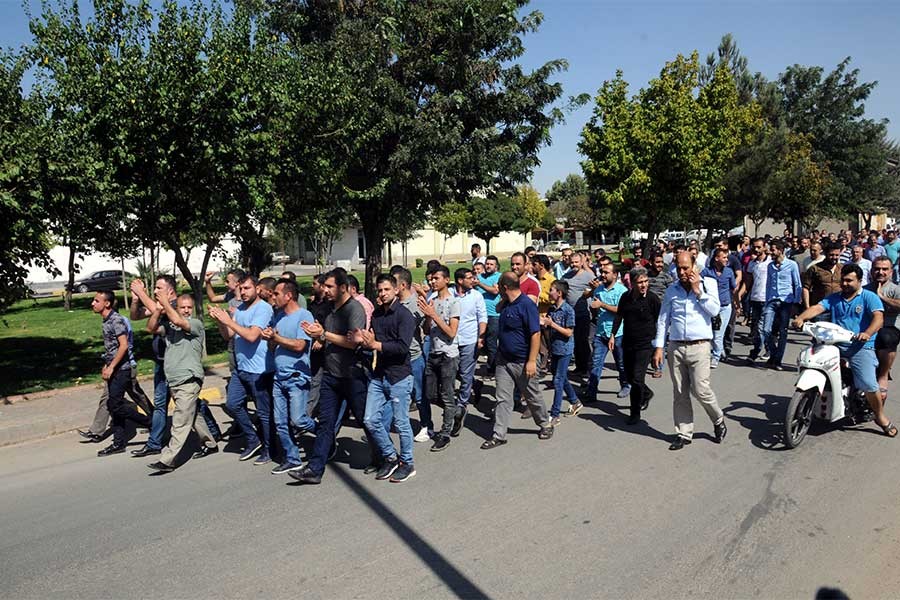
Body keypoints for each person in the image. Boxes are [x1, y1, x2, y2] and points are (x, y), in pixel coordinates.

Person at [792, 264, 896, 438]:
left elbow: (879, 318)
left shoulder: (869, 297)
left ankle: (879, 416)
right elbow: (818, 308)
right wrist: (801, 318)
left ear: (860, 281)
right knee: (812, 362)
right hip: (834, 345)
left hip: (860, 347)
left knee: (869, 385)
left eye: (849, 280)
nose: (845, 283)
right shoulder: (834, 298)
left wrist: (867, 333)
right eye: (843, 280)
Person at [290, 268, 372, 485]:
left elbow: (353, 342)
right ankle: (314, 469)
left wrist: (324, 335)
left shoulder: (355, 309)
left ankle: (384, 456)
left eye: (329, 286)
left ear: (343, 288)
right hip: (331, 375)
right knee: (326, 422)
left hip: (353, 375)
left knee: (366, 420)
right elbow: (328, 337)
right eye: (324, 286)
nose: (325, 290)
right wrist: (317, 335)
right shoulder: (328, 309)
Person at [653, 252, 727, 451]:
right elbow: (663, 320)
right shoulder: (672, 290)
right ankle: (684, 433)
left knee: (701, 390)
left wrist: (698, 291)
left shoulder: (708, 284)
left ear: (695, 266)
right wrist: (659, 346)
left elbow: (714, 310)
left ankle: (718, 419)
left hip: (700, 346)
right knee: (680, 392)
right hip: (676, 346)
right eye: (679, 268)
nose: (682, 272)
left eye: (686, 267)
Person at [146, 293, 218, 472]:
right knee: (191, 415)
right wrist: (158, 310)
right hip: (174, 381)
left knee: (180, 421)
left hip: (189, 379)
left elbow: (180, 322)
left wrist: (164, 301)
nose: (186, 310)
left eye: (189, 307)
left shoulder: (195, 324)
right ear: (177, 308)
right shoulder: (169, 326)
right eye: (182, 307)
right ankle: (210, 443)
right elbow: (151, 328)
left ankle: (168, 460)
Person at [481, 272, 553, 448]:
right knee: (502, 398)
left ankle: (545, 424)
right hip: (503, 360)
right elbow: (497, 309)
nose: (496, 288)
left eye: (499, 286)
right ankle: (499, 435)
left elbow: (535, 334)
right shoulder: (506, 304)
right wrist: (504, 299)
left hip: (522, 361)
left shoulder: (527, 305)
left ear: (505, 287)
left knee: (531, 395)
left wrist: (531, 361)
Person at [209, 274, 275, 464]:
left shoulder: (263, 309)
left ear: (257, 289)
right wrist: (220, 321)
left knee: (264, 413)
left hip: (260, 370)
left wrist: (229, 320)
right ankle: (254, 440)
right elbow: (228, 335)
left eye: (247, 288)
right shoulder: (240, 309)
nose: (243, 292)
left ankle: (270, 450)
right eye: (241, 288)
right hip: (241, 368)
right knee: (232, 404)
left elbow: (252, 336)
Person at [358, 274, 417, 483]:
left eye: (386, 290)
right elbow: (373, 341)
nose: (382, 294)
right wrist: (366, 341)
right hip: (379, 374)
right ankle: (391, 457)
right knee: (370, 420)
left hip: (399, 376)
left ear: (395, 290)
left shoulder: (404, 315)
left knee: (401, 423)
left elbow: (402, 348)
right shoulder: (376, 315)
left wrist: (376, 345)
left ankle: (407, 463)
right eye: (379, 290)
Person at [261, 280, 315, 475]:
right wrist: (270, 339)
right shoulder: (279, 316)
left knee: (299, 420)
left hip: (296, 376)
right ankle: (293, 459)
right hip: (279, 377)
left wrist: (277, 339)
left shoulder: (304, 315)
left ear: (288, 295)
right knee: (281, 422)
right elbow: (273, 345)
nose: (272, 297)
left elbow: (301, 345)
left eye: (276, 293)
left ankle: (325, 434)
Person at [92, 290, 153, 456]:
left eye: (96, 301)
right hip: (114, 368)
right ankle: (118, 443)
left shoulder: (116, 320)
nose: (92, 303)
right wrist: (107, 365)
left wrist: (112, 367)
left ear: (107, 304)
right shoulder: (106, 320)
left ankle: (150, 422)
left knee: (114, 405)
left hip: (123, 369)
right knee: (115, 405)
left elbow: (123, 346)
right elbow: (111, 348)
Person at [611, 266, 661, 424]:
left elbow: (661, 321)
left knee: (638, 378)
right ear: (632, 283)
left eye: (646, 281)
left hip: (645, 344)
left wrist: (659, 346)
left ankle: (635, 412)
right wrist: (612, 334)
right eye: (640, 282)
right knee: (631, 377)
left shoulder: (652, 299)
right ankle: (646, 393)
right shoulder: (625, 297)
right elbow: (619, 315)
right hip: (628, 342)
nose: (644, 285)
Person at [419, 265, 460, 452]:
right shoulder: (432, 300)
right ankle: (458, 411)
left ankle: (445, 434)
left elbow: (452, 332)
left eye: (436, 278)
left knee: (447, 394)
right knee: (430, 394)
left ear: (446, 280)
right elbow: (427, 330)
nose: (432, 281)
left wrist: (433, 315)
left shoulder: (454, 302)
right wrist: (428, 317)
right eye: (431, 279)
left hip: (448, 355)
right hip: (433, 353)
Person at [585, 262, 629, 401]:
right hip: (601, 332)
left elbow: (621, 311)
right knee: (596, 363)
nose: (602, 275)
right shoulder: (599, 289)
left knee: (621, 363)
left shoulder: (621, 291)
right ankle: (591, 391)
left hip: (617, 333)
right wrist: (591, 292)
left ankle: (625, 384)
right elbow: (587, 298)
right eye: (602, 272)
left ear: (615, 275)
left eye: (606, 272)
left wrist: (602, 305)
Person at [758, 240, 802, 370]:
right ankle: (774, 352)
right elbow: (768, 283)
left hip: (786, 301)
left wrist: (796, 302)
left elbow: (797, 284)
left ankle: (778, 360)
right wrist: (766, 301)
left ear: (780, 250)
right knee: (766, 330)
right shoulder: (770, 266)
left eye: (773, 250)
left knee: (783, 331)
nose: (770, 252)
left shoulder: (792, 265)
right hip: (772, 300)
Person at [453, 267, 486, 437]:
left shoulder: (476, 296)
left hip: (469, 341)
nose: (473, 280)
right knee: (455, 373)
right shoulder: (449, 294)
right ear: (460, 281)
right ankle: (476, 384)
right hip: (450, 342)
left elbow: (483, 317)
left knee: (465, 374)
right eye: (469, 278)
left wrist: (481, 336)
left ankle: (461, 406)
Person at [542, 280, 578, 425]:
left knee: (557, 380)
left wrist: (552, 325)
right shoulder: (552, 309)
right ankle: (575, 401)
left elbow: (569, 333)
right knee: (561, 378)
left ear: (559, 293)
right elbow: (549, 328)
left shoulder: (568, 310)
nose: (549, 292)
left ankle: (555, 414)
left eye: (551, 290)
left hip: (565, 350)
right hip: (555, 348)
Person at [865, 257, 900, 401]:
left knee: (887, 338)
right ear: (872, 271)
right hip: (869, 327)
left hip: (889, 326)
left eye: (884, 269)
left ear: (891, 272)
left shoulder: (895, 289)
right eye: (877, 269)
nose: (881, 272)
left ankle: (883, 375)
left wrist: (881, 297)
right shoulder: (865, 289)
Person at [701, 248, 737, 368]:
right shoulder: (707, 272)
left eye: (727, 258)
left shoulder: (729, 272)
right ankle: (720, 349)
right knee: (711, 333)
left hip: (725, 307)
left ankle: (715, 356)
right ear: (717, 258)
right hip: (711, 307)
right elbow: (699, 284)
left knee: (718, 333)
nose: (726, 260)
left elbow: (734, 288)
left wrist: (737, 303)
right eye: (724, 257)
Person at [562, 251, 596, 374]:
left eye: (576, 262)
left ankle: (587, 366)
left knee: (583, 341)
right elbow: (562, 290)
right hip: (570, 314)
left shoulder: (588, 276)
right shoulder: (567, 276)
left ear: (582, 262)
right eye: (572, 262)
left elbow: (596, 289)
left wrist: (592, 292)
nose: (574, 264)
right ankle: (579, 367)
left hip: (583, 314)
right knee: (575, 341)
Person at [742, 238, 772, 361]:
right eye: (754, 247)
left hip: (767, 299)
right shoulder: (752, 264)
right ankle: (761, 349)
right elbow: (748, 282)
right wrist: (740, 295)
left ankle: (761, 351)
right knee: (756, 327)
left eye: (759, 247)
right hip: (754, 298)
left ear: (765, 247)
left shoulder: (770, 262)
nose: (756, 249)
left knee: (764, 327)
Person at [474, 255, 501, 375]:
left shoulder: (499, 277)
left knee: (491, 342)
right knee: (478, 341)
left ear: (496, 266)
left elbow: (495, 291)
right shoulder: (479, 277)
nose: (488, 266)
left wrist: (480, 284)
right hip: (479, 315)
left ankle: (492, 369)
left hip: (494, 314)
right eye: (487, 264)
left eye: (491, 264)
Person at [802, 243, 843, 311]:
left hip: (838, 308)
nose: (834, 257)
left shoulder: (842, 269)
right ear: (825, 254)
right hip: (820, 309)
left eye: (837, 255)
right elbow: (805, 288)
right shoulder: (815, 269)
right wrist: (807, 307)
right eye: (831, 255)